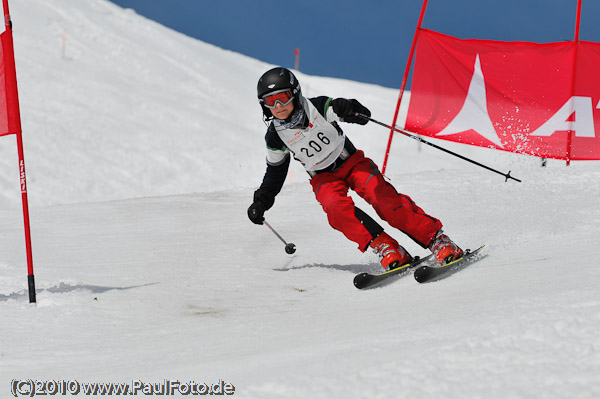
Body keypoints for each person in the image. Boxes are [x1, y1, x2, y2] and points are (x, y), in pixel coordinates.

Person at [247, 67, 463, 270]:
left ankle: (438, 240)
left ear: (294, 94)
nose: (278, 107)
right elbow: (275, 172)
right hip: (322, 178)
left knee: (383, 199)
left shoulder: (317, 107)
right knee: (335, 209)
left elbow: (344, 110)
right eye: (270, 102)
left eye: (282, 98)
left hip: (351, 162)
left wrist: (351, 109)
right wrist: (262, 200)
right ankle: (388, 248)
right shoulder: (275, 136)